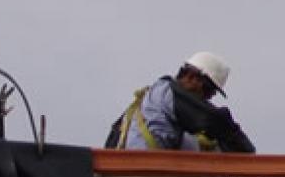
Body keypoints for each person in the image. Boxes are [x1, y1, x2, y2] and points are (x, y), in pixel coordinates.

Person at [105, 51, 255, 154]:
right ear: (191, 77)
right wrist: (246, 152)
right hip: (145, 175)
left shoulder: (152, 100)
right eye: (208, 91)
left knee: (200, 144)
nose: (207, 99)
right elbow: (215, 120)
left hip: (132, 174)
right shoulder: (169, 94)